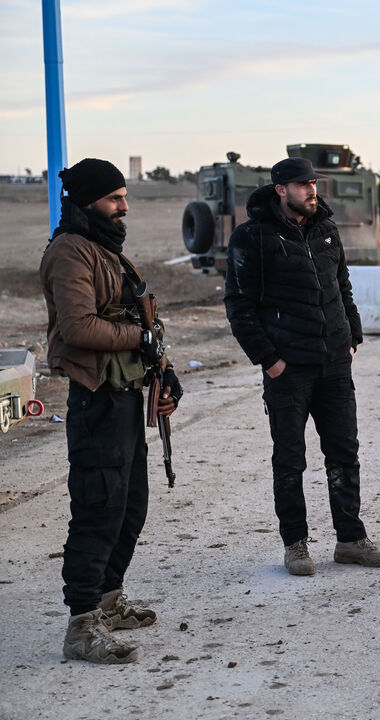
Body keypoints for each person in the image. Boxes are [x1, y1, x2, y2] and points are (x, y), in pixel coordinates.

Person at [41, 158, 183, 664]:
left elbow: (143, 320)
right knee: (98, 510)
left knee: (130, 506)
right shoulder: (69, 251)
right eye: (114, 199)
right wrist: (138, 339)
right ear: (88, 203)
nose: (125, 207)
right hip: (96, 400)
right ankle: (82, 626)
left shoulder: (107, 250)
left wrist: (164, 371)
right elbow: (78, 327)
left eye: (124, 197)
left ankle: (108, 601)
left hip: (125, 397)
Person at [224, 157, 380, 576]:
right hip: (288, 369)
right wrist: (270, 360)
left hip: (335, 363)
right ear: (281, 190)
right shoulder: (252, 237)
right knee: (290, 460)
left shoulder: (326, 229)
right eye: (302, 184)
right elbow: (239, 306)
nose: (311, 190)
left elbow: (342, 287)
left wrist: (352, 338)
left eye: (313, 183)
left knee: (344, 453)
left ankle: (351, 540)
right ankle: (295, 544)